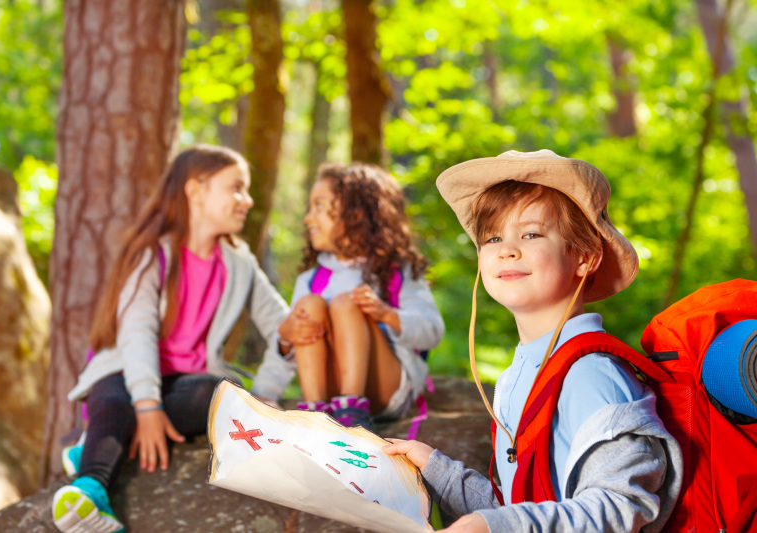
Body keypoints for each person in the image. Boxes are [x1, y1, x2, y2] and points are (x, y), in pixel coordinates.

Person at [384, 150, 683, 533]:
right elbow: (525, 508)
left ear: (586, 257)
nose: (506, 248)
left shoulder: (591, 373)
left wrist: (488, 526)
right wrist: (437, 470)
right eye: (492, 237)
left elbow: (620, 509)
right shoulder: (520, 372)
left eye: (531, 234)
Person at [51, 145, 290, 533]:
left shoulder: (240, 262)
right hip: (127, 373)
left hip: (184, 386)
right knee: (114, 398)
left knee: (223, 389)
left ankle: (99, 440)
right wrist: (146, 408)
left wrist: (266, 392)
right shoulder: (152, 254)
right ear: (195, 191)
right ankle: (89, 489)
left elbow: (286, 329)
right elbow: (137, 332)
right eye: (236, 188)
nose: (247, 200)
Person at [251, 163, 444, 428]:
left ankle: (353, 412)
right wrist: (265, 390)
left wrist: (386, 314)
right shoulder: (311, 280)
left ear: (355, 214)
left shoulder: (397, 272)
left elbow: (432, 331)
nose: (308, 218)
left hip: (385, 389)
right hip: (330, 390)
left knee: (346, 302)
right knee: (308, 307)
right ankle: (315, 412)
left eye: (319, 206)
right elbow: (292, 343)